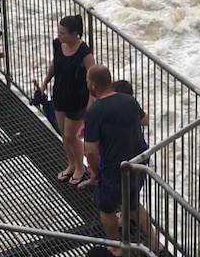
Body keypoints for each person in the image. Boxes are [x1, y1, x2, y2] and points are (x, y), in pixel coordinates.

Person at [83, 66, 164, 257]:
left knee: (106, 207)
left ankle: (116, 247)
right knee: (133, 203)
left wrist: (95, 172)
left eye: (87, 81)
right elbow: (144, 120)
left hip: (114, 169)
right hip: (137, 163)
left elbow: (90, 150)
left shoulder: (94, 111)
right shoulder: (128, 100)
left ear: (93, 85)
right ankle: (155, 244)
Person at [38, 15, 95, 187]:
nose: (59, 36)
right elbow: (54, 66)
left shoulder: (84, 52)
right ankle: (71, 164)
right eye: (59, 32)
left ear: (75, 34)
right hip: (60, 94)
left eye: (63, 33)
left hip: (77, 98)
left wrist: (91, 102)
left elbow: (92, 77)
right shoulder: (57, 44)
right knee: (63, 133)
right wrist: (44, 84)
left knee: (72, 135)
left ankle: (80, 167)